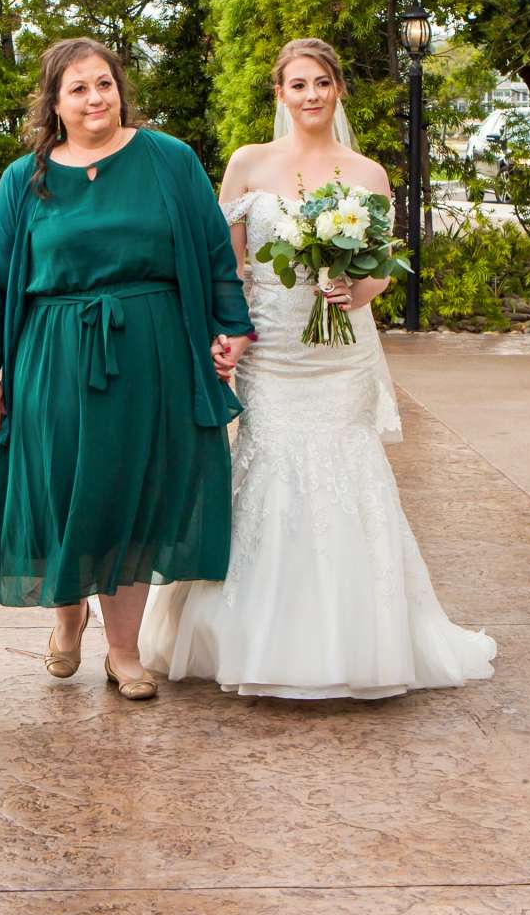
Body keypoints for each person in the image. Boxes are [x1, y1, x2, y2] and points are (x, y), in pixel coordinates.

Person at [140, 38, 496, 697]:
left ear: (337, 91)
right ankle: (250, 634)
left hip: (340, 354)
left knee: (346, 466)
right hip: (272, 346)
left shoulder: (366, 175)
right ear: (280, 94)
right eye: (297, 84)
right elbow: (230, 264)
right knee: (267, 463)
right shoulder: (249, 164)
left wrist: (351, 291)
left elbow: (381, 271)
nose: (310, 95)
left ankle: (356, 636)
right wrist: (231, 335)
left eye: (322, 83)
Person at [0, 36, 254, 701]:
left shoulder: (168, 160)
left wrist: (230, 327)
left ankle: (123, 652)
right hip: (53, 351)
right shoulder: (23, 179)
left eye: (105, 84)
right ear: (54, 104)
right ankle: (67, 617)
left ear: (121, 90)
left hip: (151, 349)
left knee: (134, 493)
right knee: (59, 488)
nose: (96, 98)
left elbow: (211, 252)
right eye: (79, 88)